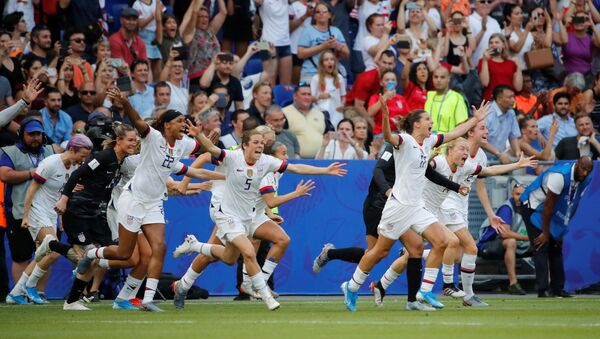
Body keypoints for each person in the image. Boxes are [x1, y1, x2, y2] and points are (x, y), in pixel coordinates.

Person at [72, 87, 224, 312]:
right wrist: (125, 103)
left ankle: (147, 300)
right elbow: (138, 121)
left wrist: (205, 137)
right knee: (125, 253)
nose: (183, 124)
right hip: (133, 200)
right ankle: (91, 254)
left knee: (159, 247)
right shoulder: (153, 138)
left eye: (185, 121)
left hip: (154, 203)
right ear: (167, 125)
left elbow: (203, 147)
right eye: (180, 121)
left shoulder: (182, 144)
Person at [339, 98, 491, 313]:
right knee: (379, 252)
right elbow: (388, 136)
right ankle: (351, 286)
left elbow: (454, 134)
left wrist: (475, 119)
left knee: (443, 241)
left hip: (417, 207)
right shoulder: (405, 140)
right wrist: (383, 116)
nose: (431, 122)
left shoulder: (428, 142)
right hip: (398, 207)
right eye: (428, 119)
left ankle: (424, 292)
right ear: (417, 124)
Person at [172, 126, 348, 310]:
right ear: (245, 144)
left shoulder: (267, 162)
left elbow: (295, 168)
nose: (264, 145)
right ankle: (262, 292)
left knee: (232, 256)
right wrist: (199, 137)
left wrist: (325, 170)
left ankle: (196, 248)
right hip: (225, 209)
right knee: (247, 250)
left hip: (252, 212)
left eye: (265, 142)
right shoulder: (232, 154)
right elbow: (208, 153)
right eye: (260, 141)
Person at [370, 135, 536, 308]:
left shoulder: (465, 167)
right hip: (418, 212)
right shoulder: (439, 162)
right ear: (449, 150)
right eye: (462, 149)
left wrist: (517, 165)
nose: (466, 153)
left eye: (467, 150)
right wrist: (429, 159)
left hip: (432, 213)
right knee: (457, 243)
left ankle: (381, 285)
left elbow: (489, 171)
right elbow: (423, 167)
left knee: (418, 255)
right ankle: (448, 285)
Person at [11, 135, 93, 305]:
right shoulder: (50, 163)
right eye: (82, 155)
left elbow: (62, 194)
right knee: (54, 249)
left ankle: (16, 292)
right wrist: (25, 215)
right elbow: (31, 189)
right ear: (71, 149)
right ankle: (30, 286)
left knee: (44, 254)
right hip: (36, 210)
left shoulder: (73, 168)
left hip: (51, 214)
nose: (83, 160)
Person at [520, 157, 594, 298]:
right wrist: (546, 233)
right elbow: (548, 205)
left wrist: (562, 228)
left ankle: (558, 289)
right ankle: (542, 290)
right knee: (541, 245)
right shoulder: (559, 176)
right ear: (577, 164)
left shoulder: (586, 179)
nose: (584, 173)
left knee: (556, 246)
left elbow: (574, 203)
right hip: (534, 205)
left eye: (588, 171)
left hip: (553, 209)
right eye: (583, 169)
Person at [0, 118, 55, 304]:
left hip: (46, 210)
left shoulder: (50, 151)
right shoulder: (10, 152)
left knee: (47, 252)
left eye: (38, 134)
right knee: (21, 256)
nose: (35, 138)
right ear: (21, 135)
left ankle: (39, 292)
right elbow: (5, 174)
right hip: (18, 210)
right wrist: (33, 173)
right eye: (31, 134)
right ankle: (20, 293)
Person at [477, 184, 530, 295]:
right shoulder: (507, 208)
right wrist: (528, 238)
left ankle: (549, 285)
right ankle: (513, 284)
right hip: (487, 245)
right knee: (511, 241)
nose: (520, 197)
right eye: (517, 194)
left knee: (544, 242)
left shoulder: (529, 207)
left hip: (515, 244)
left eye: (523, 194)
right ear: (512, 195)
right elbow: (505, 233)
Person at [346, 50, 396, 122]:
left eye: (390, 63)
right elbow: (358, 106)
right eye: (384, 62)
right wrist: (372, 125)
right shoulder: (368, 78)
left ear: (394, 65)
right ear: (378, 62)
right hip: (353, 108)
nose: (387, 66)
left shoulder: (391, 78)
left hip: (373, 108)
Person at [282, 84, 326, 158]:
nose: (307, 97)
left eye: (309, 94)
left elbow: (327, 135)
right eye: (303, 94)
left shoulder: (320, 113)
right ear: (295, 96)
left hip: (320, 161)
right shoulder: (284, 113)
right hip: (296, 162)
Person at [424, 66, 468, 134]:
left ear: (449, 79)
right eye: (436, 77)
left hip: (448, 143)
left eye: (442, 77)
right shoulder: (429, 96)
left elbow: (462, 126)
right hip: (428, 142)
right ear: (432, 78)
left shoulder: (457, 98)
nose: (438, 80)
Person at [367, 70, 410, 137]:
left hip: (399, 134)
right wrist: (384, 97)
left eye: (393, 80)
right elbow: (370, 113)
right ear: (381, 82)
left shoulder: (401, 98)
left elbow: (408, 116)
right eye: (387, 80)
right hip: (381, 134)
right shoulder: (375, 97)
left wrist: (400, 120)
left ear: (396, 83)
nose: (390, 82)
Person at [310, 50, 346, 128]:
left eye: (332, 59)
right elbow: (310, 98)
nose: (330, 62)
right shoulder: (316, 78)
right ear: (322, 64)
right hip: (321, 112)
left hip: (336, 112)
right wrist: (320, 97)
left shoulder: (339, 78)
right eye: (326, 60)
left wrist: (342, 104)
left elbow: (343, 96)